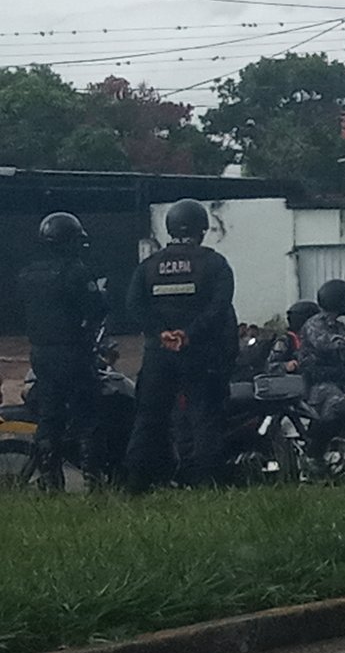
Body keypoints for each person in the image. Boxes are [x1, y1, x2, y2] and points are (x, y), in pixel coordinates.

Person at [124, 198, 237, 492]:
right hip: (200, 355)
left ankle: (136, 484)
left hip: (159, 356)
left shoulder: (148, 267)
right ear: (202, 229)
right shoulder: (215, 264)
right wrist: (188, 334)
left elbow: (133, 305)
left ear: (169, 228)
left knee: (149, 418)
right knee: (204, 418)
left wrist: (161, 332)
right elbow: (220, 308)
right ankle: (205, 484)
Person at [21, 212, 107, 490]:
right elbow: (96, 308)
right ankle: (93, 481)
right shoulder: (75, 271)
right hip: (73, 353)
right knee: (87, 416)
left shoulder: (29, 273)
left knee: (50, 415)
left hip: (41, 354)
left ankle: (50, 480)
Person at [296, 279, 345, 471]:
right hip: (317, 385)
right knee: (339, 403)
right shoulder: (315, 324)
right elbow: (325, 343)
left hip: (338, 382)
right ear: (336, 300)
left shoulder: (340, 328)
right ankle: (313, 453)